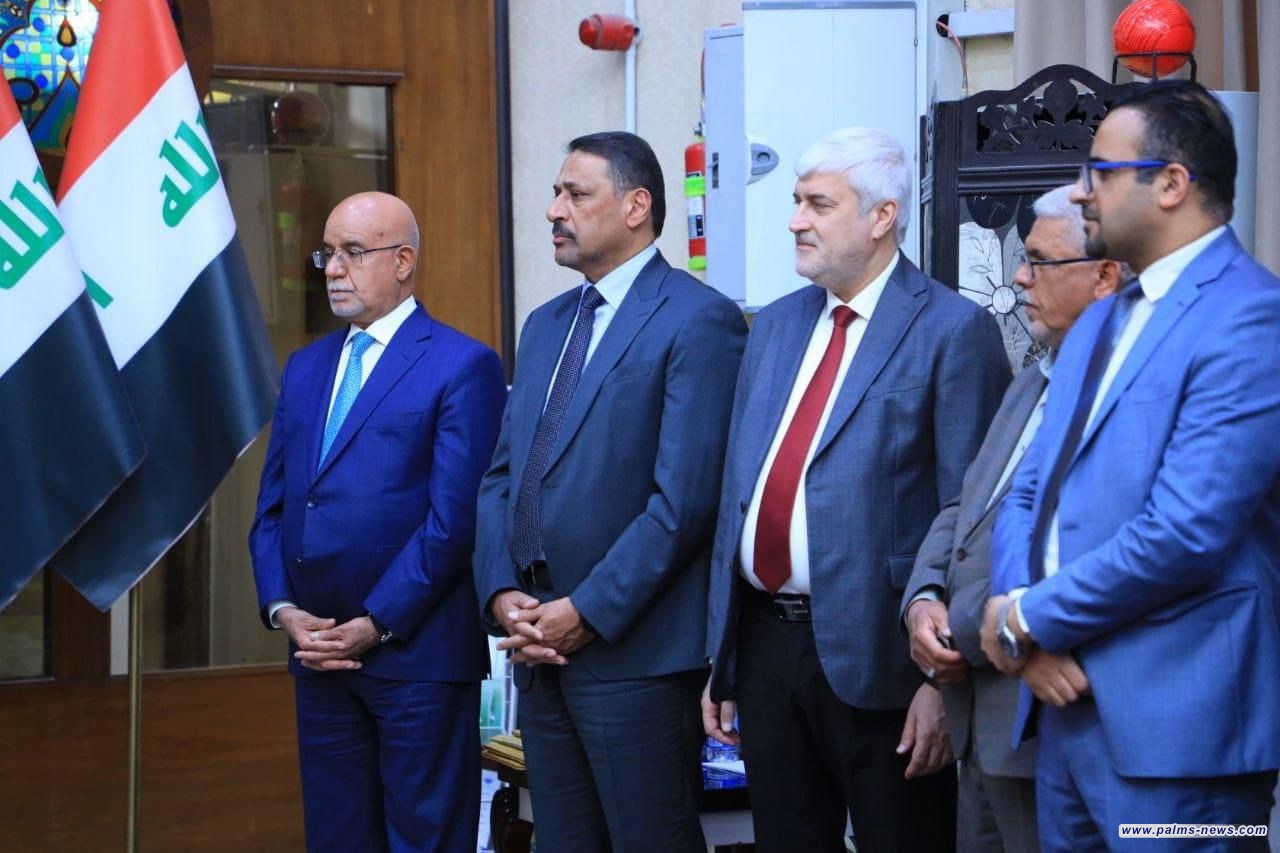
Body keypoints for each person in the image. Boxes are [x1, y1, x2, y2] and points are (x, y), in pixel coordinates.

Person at [980, 80, 1280, 850]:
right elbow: (1028, 491)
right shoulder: (1098, 320)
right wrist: (1016, 609)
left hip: (1181, 733)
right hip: (1063, 714)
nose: (1081, 191)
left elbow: (1185, 532)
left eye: (1100, 172)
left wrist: (1025, 619)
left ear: (1171, 184)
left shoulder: (1251, 316)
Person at [702, 126, 1010, 853]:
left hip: (887, 661)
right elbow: (738, 494)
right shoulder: (775, 325)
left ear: (881, 216)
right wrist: (722, 657)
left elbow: (971, 520)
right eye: (796, 201)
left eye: (818, 204)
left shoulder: (953, 331)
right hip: (766, 648)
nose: (795, 221)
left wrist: (943, 684)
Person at [473, 131, 747, 853]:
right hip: (539, 652)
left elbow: (684, 503)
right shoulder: (545, 325)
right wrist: (501, 593)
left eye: (575, 194)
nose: (553, 211)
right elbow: (503, 477)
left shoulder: (698, 318)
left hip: (636, 660)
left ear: (635, 206)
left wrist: (586, 611)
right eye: (555, 193)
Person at [248, 192, 506, 852]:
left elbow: (454, 522)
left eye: (353, 252)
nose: (333, 269)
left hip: (417, 660)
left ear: (403, 261)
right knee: (337, 838)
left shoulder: (462, 364)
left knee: (424, 839)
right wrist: (283, 608)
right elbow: (275, 508)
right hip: (320, 660)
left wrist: (376, 622)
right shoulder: (306, 368)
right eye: (327, 253)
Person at [901, 184, 1125, 853]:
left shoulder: (1119, 394)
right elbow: (966, 506)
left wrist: (964, 631)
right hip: (980, 726)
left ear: (1105, 277)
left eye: (1039, 261)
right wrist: (923, 598)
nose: (1020, 277)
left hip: (1041, 720)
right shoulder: (1033, 377)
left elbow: (1080, 548)